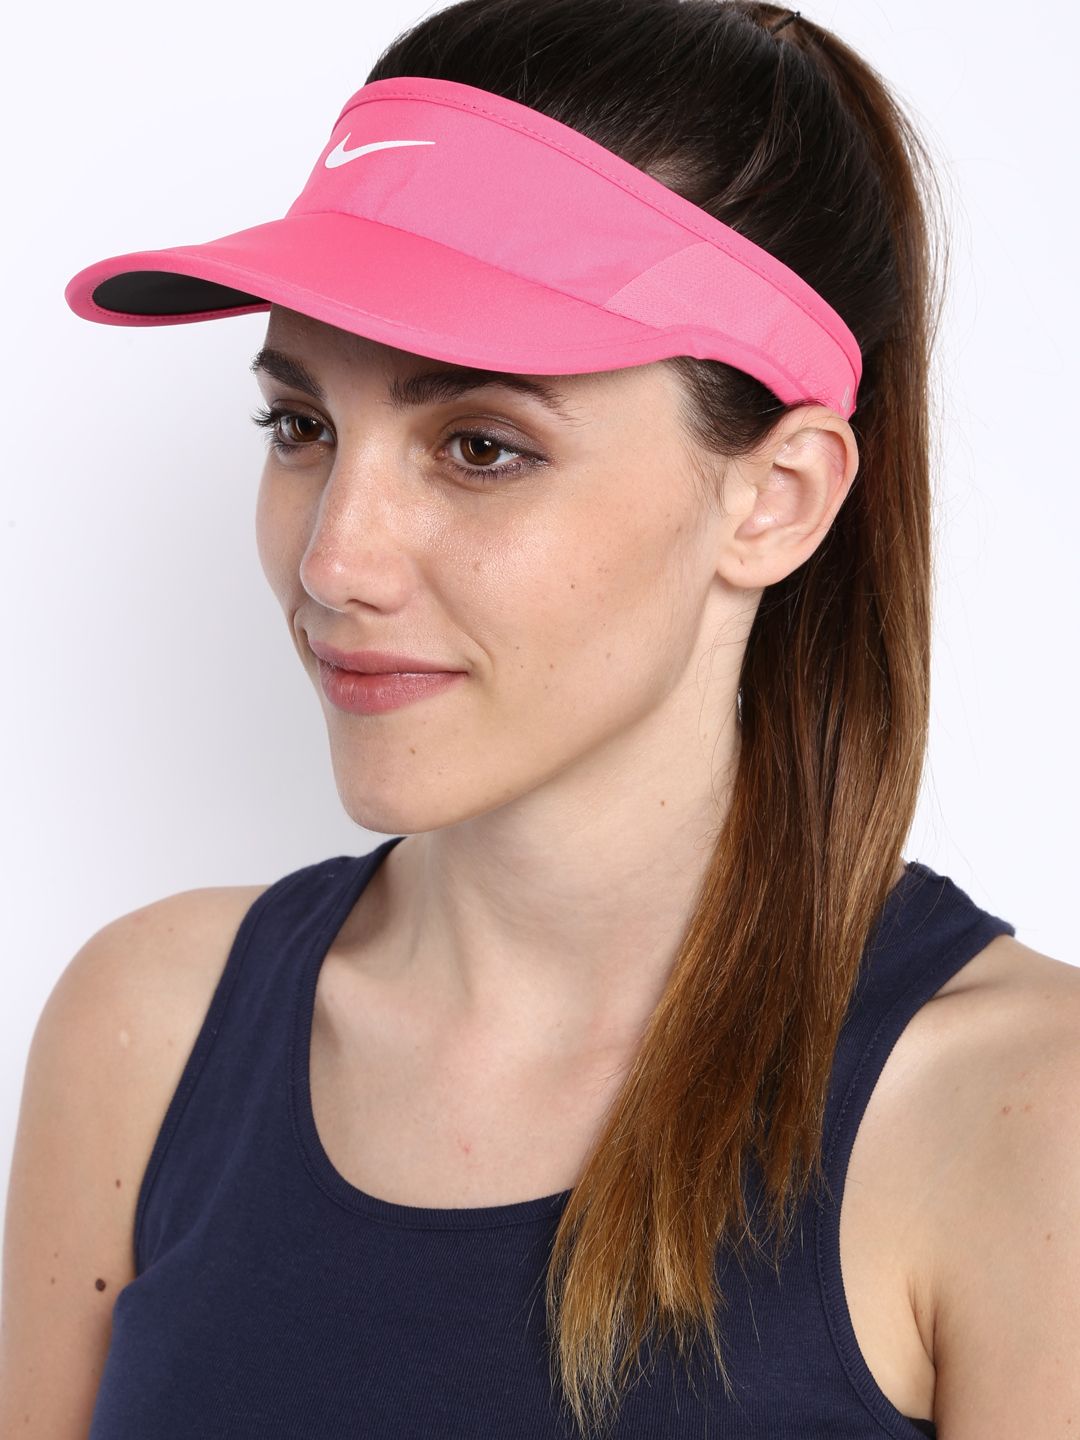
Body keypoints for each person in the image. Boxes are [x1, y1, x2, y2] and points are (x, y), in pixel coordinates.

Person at [2, 1, 1077, 1436]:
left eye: (481, 446)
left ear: (776, 499)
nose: (332, 561)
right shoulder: (149, 1026)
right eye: (302, 427)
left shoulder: (1023, 1117)